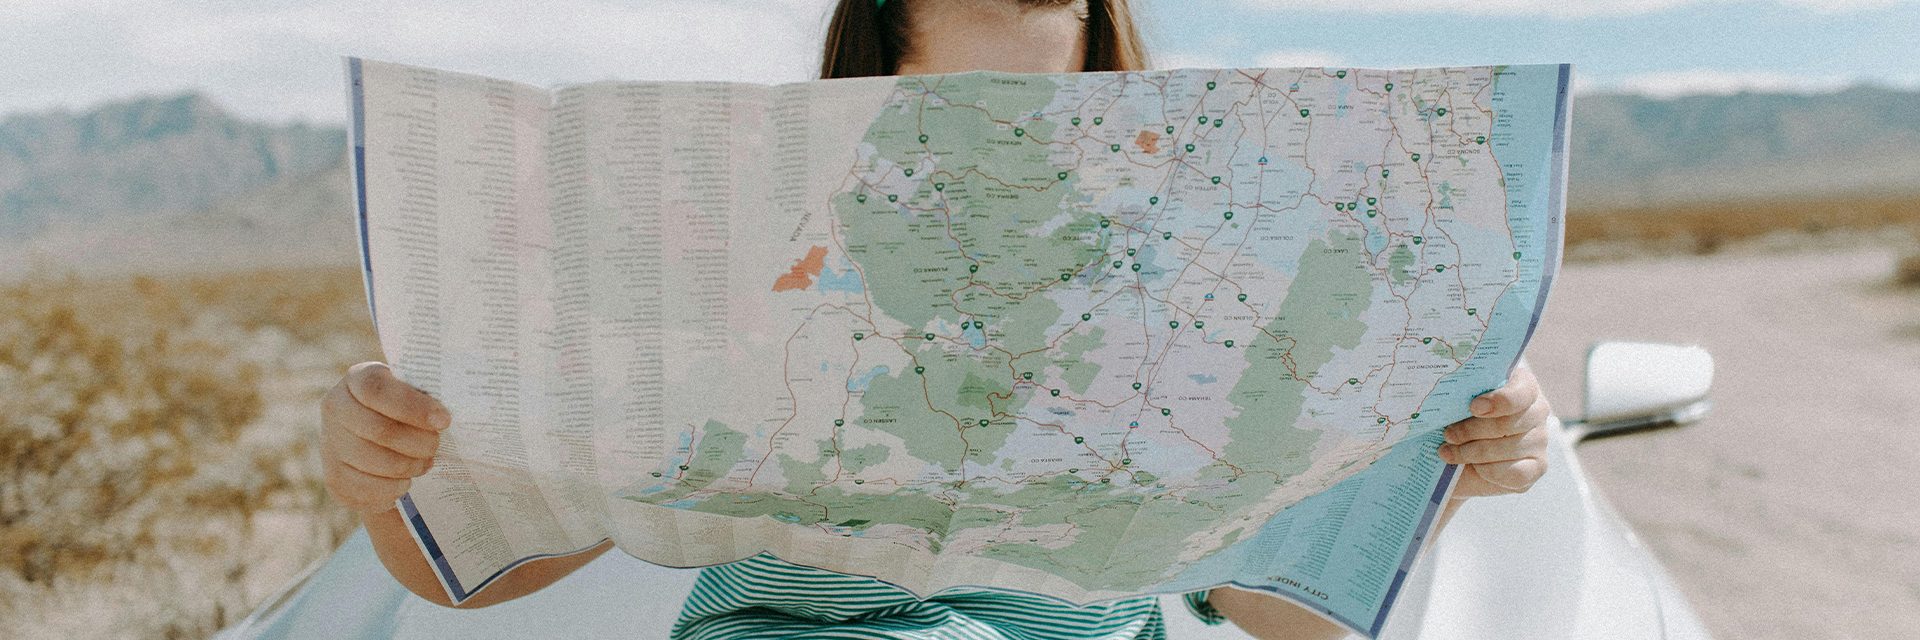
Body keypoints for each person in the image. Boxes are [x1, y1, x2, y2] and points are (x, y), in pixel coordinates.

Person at [317, 1, 1555, 638]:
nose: (988, 175)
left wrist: (1440, 467)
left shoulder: (1196, 300)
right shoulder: (738, 261)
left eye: (1040, 131)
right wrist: (389, 477)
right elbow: (479, 573)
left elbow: (1279, 615)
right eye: (940, 128)